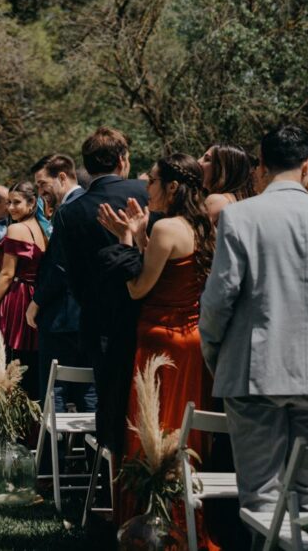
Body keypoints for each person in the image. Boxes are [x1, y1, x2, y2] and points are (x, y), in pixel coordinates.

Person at [99, 153, 219, 541]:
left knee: (152, 428)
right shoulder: (201, 227)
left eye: (151, 180)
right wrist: (139, 237)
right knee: (181, 430)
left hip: (158, 340)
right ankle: (184, 521)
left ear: (170, 186)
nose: (145, 187)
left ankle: (149, 525)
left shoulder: (166, 227)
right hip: (191, 342)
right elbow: (168, 270)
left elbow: (139, 287)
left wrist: (125, 240)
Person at [200, 125, 308, 514]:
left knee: (262, 493)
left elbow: (219, 299)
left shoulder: (240, 216)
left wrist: (213, 348)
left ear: (261, 165)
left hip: (254, 370)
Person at [51, 127, 148, 456]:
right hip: (148, 317)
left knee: (110, 408)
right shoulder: (147, 193)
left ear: (88, 166)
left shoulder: (68, 213)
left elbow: (73, 277)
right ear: (123, 160)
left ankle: (110, 489)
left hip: (99, 323)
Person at [27, 154, 95, 413]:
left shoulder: (68, 210)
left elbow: (59, 266)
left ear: (63, 177)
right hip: (87, 316)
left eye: (43, 184)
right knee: (87, 391)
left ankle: (54, 455)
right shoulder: (89, 204)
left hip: (61, 317)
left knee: (55, 390)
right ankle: (92, 453)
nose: (40, 191)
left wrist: (36, 302)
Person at [0, 181, 46, 400]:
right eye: (8, 202)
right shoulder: (42, 229)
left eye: (16, 202)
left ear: (32, 203)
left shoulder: (17, 229)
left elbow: (7, 274)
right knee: (29, 363)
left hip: (17, 298)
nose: (10, 208)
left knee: (9, 360)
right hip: (34, 297)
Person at [198, 144, 255, 222]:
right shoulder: (234, 200)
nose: (198, 162)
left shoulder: (217, 200)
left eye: (207, 159)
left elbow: (189, 231)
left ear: (223, 170)